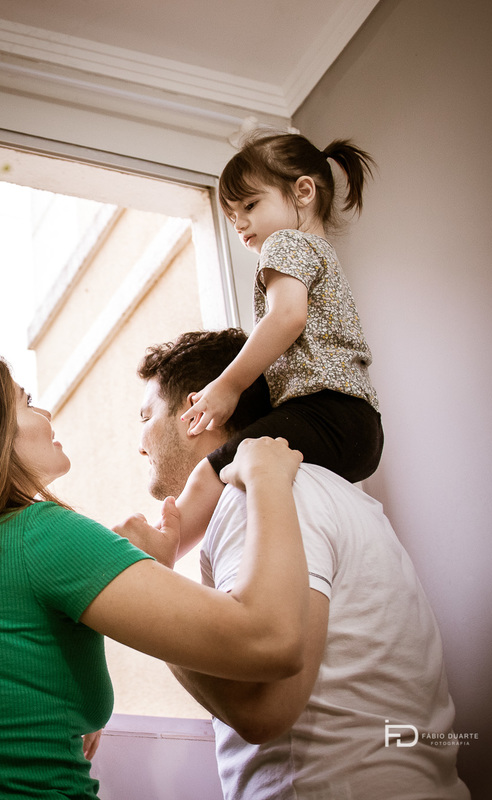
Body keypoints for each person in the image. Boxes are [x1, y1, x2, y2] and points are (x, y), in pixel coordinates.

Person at [0, 353, 308, 799]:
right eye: (25, 402)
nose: (45, 412)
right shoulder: (41, 536)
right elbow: (270, 641)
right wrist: (266, 477)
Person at [122, 329, 469, 800]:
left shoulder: (257, 496)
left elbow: (263, 707)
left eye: (146, 416)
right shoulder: (323, 492)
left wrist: (148, 584)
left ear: (194, 413)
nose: (140, 443)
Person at [172, 131, 385, 561]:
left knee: (212, 471)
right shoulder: (321, 253)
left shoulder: (285, 243)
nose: (239, 224)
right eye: (231, 215)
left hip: (325, 412)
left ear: (304, 191)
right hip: (362, 428)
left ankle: (163, 548)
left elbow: (287, 317)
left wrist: (228, 385)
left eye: (250, 205)